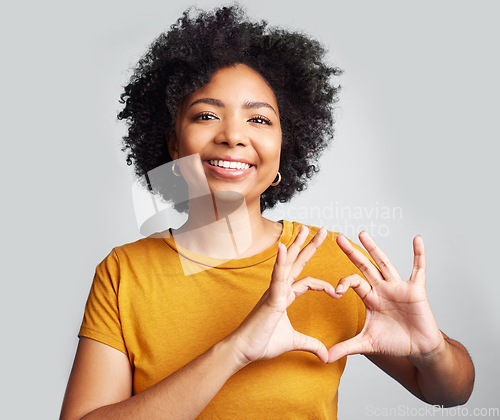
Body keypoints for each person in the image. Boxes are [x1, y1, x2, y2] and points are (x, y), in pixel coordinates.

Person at [60, 5, 474, 419]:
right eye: (206, 115)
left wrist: (432, 349)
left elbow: (451, 394)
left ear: (281, 152)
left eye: (259, 119)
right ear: (172, 145)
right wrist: (236, 349)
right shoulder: (125, 273)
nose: (233, 136)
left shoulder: (326, 258)